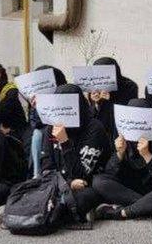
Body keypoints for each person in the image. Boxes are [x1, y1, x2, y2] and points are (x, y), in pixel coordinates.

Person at [37, 84, 112, 228]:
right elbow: (46, 167)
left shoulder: (94, 128)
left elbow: (82, 174)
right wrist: (68, 183)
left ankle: (38, 213)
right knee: (26, 189)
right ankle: (39, 211)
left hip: (88, 183)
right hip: (60, 183)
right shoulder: (51, 128)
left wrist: (65, 142)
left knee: (81, 198)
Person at [91, 98, 152, 222]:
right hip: (129, 187)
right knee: (99, 182)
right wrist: (119, 154)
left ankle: (126, 210)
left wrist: (148, 156)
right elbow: (109, 172)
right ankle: (150, 208)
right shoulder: (122, 134)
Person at [26, 65, 67, 178]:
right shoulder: (37, 98)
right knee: (37, 134)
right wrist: (36, 108)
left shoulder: (65, 94)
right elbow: (35, 124)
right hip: (45, 133)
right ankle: (36, 174)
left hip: (64, 132)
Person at [88, 56, 139, 138]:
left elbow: (129, 111)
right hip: (101, 131)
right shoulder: (94, 86)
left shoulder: (129, 86)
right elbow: (92, 114)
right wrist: (96, 103)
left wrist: (110, 100)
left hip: (121, 132)